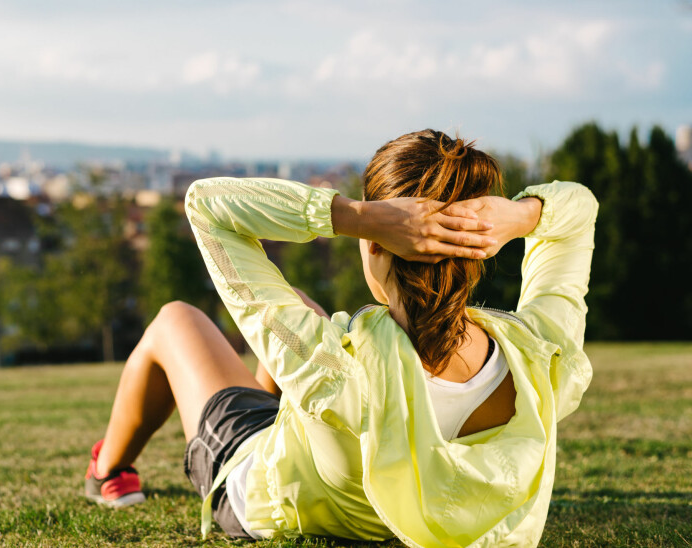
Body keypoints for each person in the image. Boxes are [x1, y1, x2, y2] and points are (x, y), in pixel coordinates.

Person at [84, 129, 598, 547]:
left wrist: (354, 216)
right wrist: (520, 215)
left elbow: (208, 205)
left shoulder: (334, 369)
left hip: (264, 488)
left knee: (177, 320)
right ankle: (265, 405)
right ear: (482, 249)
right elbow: (580, 210)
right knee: (301, 306)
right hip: (324, 437)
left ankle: (108, 469)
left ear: (375, 247)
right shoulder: (543, 360)